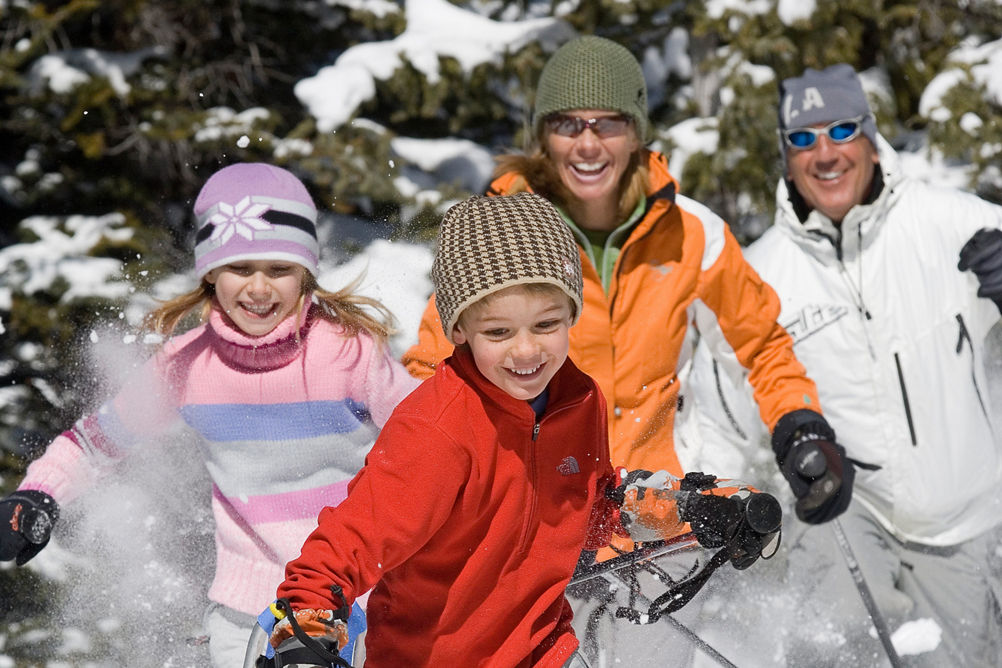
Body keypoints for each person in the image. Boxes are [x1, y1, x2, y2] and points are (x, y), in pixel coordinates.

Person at [265, 193, 781, 667]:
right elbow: (350, 542)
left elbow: (591, 507)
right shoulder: (437, 430)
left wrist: (689, 510)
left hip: (542, 652)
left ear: (572, 313)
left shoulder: (578, 402)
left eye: (546, 324)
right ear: (458, 329)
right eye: (498, 331)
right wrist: (306, 627)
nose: (527, 350)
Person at [400, 36, 850, 526]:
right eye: (568, 124)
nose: (587, 143)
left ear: (636, 133)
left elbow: (760, 346)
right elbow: (434, 369)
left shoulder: (692, 233)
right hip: (534, 515)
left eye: (608, 123)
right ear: (543, 136)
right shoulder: (497, 237)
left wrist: (800, 425)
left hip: (662, 511)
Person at [0, 163, 421, 666]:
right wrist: (38, 494)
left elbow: (432, 438)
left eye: (279, 269)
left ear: (305, 274)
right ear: (210, 275)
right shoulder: (184, 366)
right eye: (240, 268)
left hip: (354, 598)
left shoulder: (347, 354)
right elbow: (94, 443)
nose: (259, 288)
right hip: (245, 608)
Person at [684, 64, 1002, 665]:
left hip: (963, 517)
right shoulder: (761, 274)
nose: (825, 153)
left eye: (841, 130)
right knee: (836, 645)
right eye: (804, 139)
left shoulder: (954, 225)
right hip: (847, 512)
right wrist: (708, 504)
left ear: (871, 139)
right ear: (786, 157)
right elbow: (720, 413)